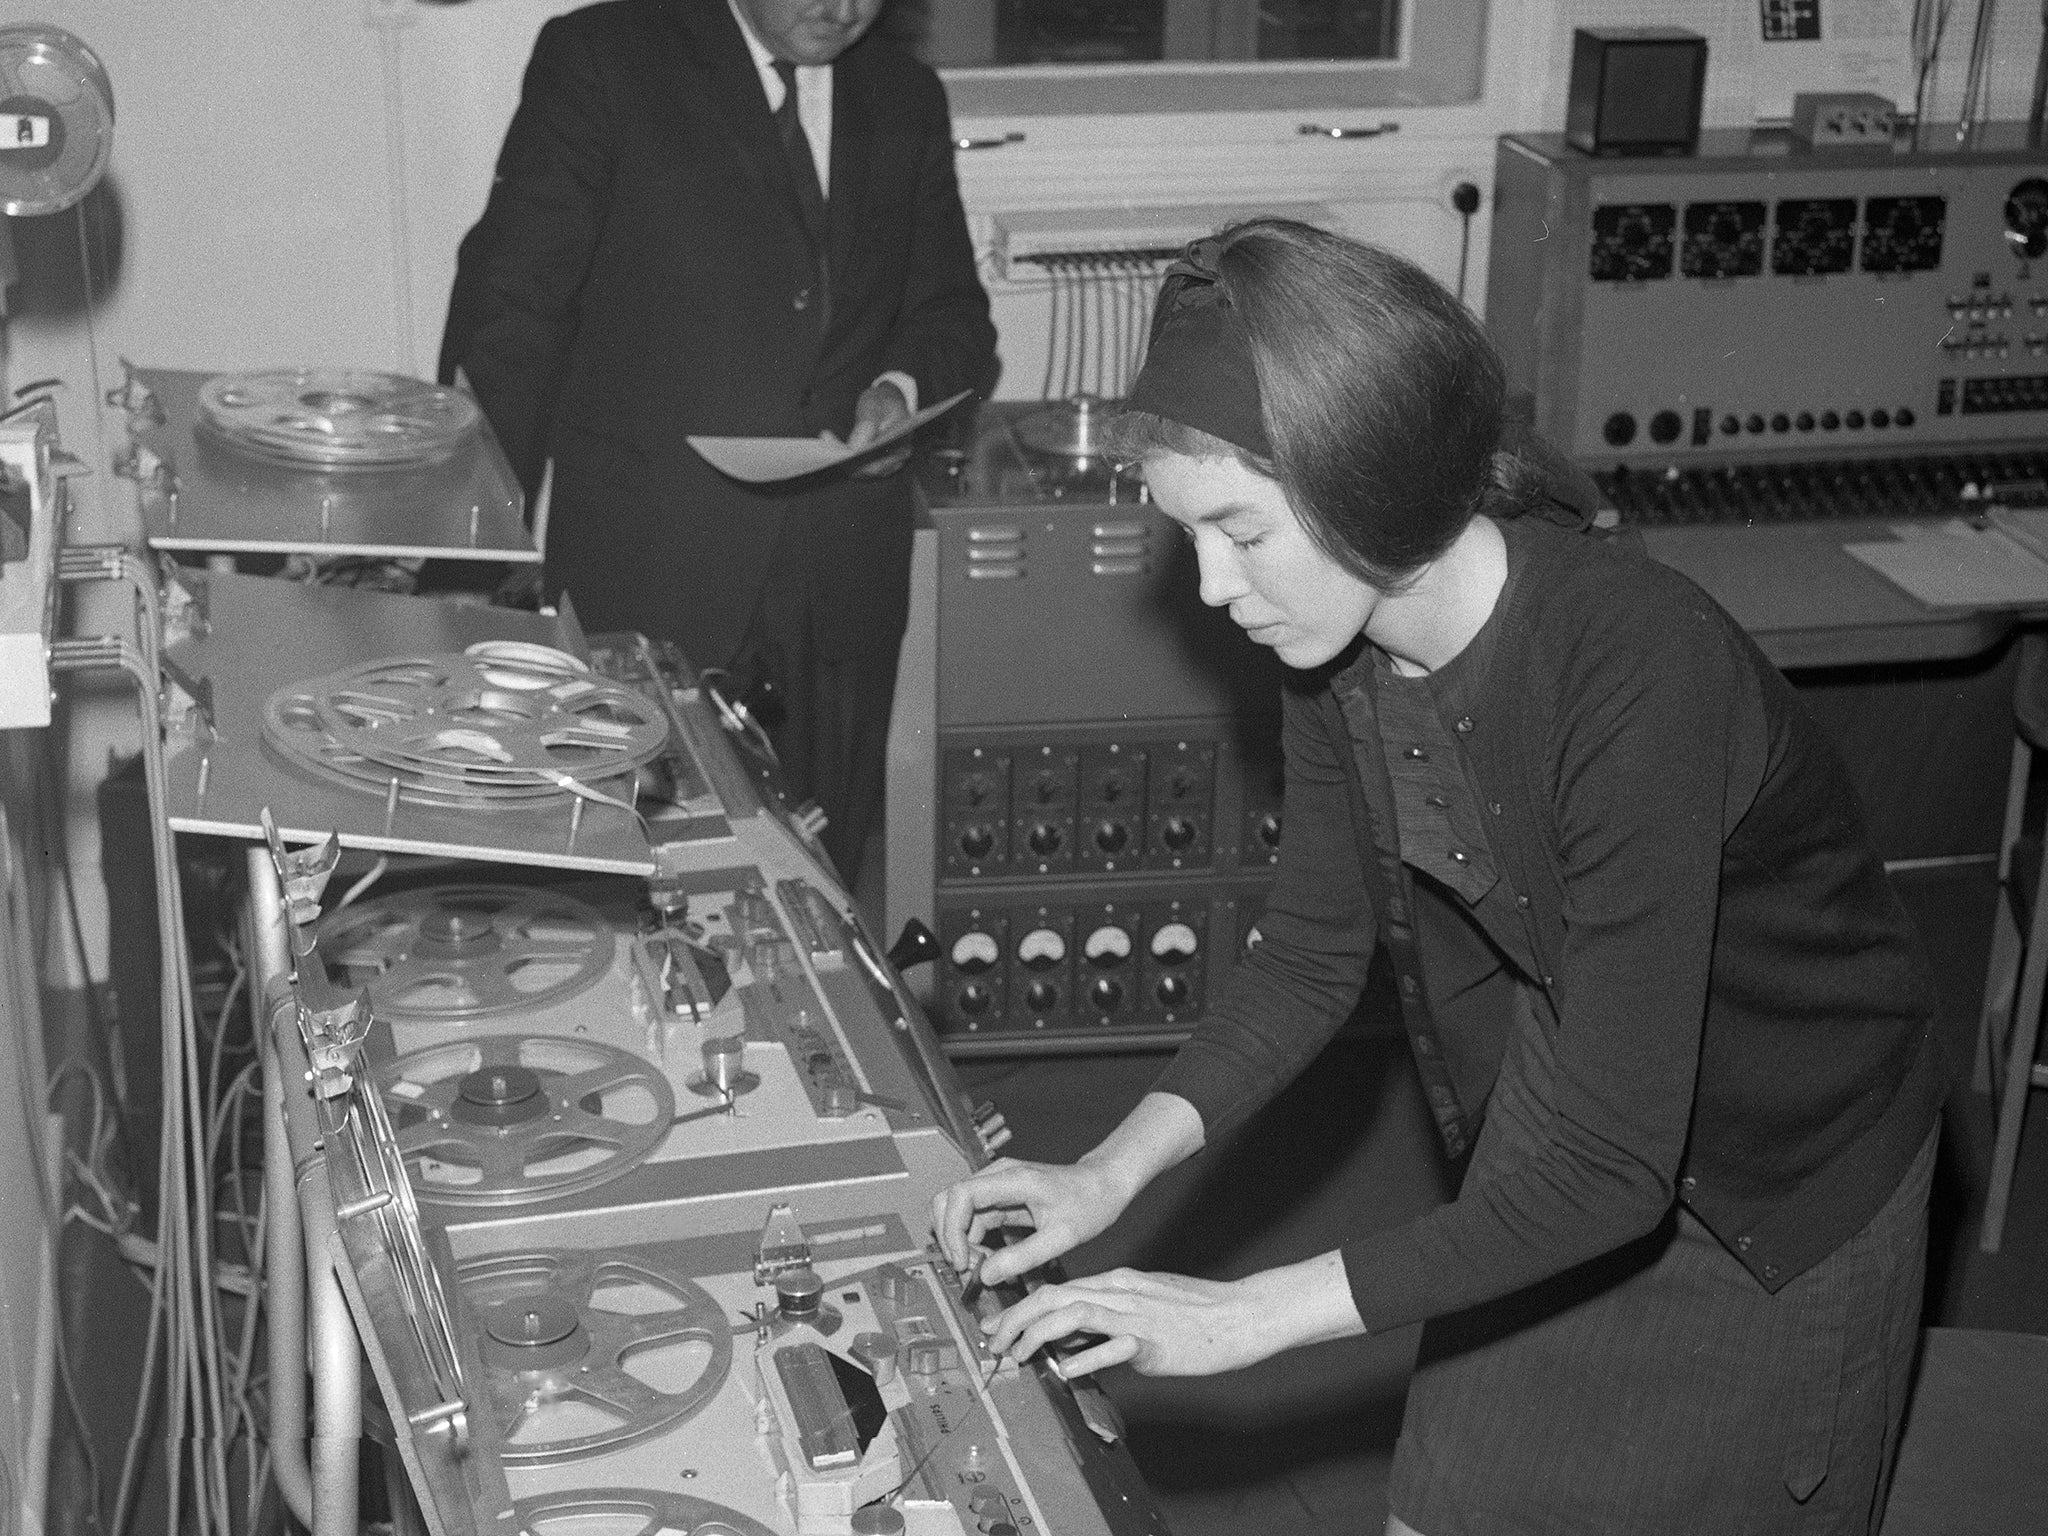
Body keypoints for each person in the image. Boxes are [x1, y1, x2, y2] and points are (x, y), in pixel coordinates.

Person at [932, 219, 1947, 1535]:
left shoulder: (1636, 669)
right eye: (1191, 537)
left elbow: (1614, 1175)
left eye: (1240, 532)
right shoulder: (1334, 647)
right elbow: (1305, 960)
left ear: (1372, 475)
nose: (1214, 588)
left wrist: (1248, 1316)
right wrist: (1104, 1179)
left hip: (1781, 1178)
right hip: (1571, 1116)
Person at [440, 0, 997, 883]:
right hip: (653, 568)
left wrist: (901, 389)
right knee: (636, 882)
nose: (841, 7)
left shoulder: (907, 96)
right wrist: (465, 566)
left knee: (819, 888)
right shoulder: (603, 59)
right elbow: (516, 314)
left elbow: (953, 314)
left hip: (841, 585)